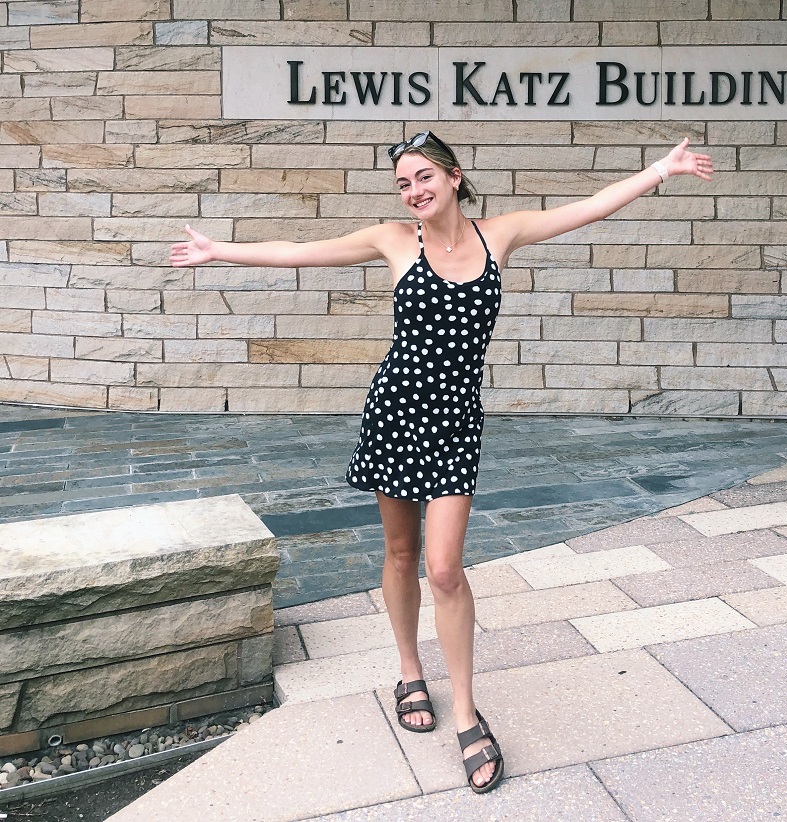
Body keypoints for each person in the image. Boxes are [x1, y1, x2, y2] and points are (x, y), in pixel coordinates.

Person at [170, 131, 712, 794]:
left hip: (456, 424)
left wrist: (661, 169)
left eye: (424, 176)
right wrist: (219, 250)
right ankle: (409, 670)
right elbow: (300, 252)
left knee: (445, 569)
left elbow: (589, 207)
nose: (414, 191)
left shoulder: (500, 235)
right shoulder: (395, 241)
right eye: (404, 183)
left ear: (454, 177)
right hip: (396, 414)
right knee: (401, 554)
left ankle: (465, 714)